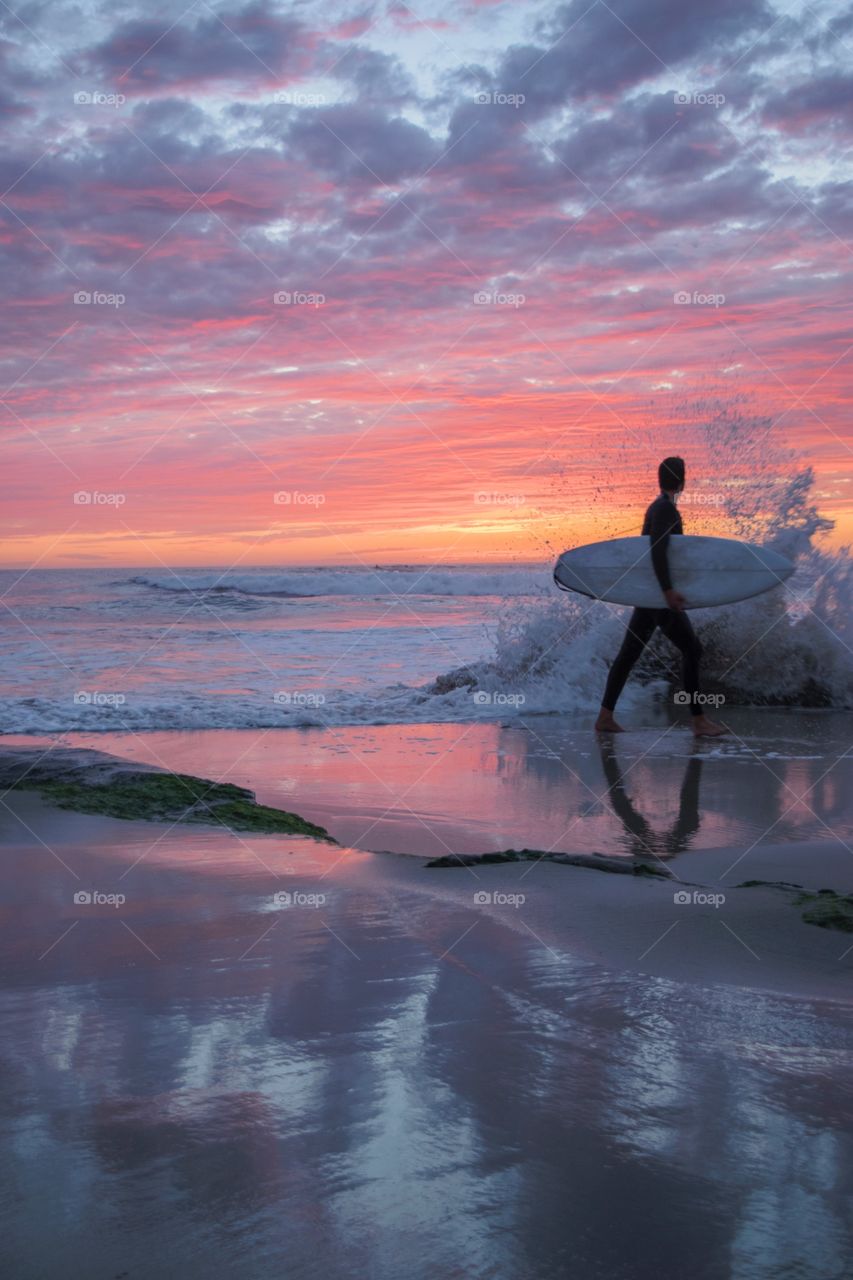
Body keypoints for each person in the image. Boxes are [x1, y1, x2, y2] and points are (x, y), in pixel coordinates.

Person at [594, 457, 726, 737]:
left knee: (628, 655)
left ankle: (605, 716)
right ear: (682, 481)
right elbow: (657, 550)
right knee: (692, 649)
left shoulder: (658, 507)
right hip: (657, 595)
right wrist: (667, 590)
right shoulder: (665, 509)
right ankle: (699, 721)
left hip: (648, 594)